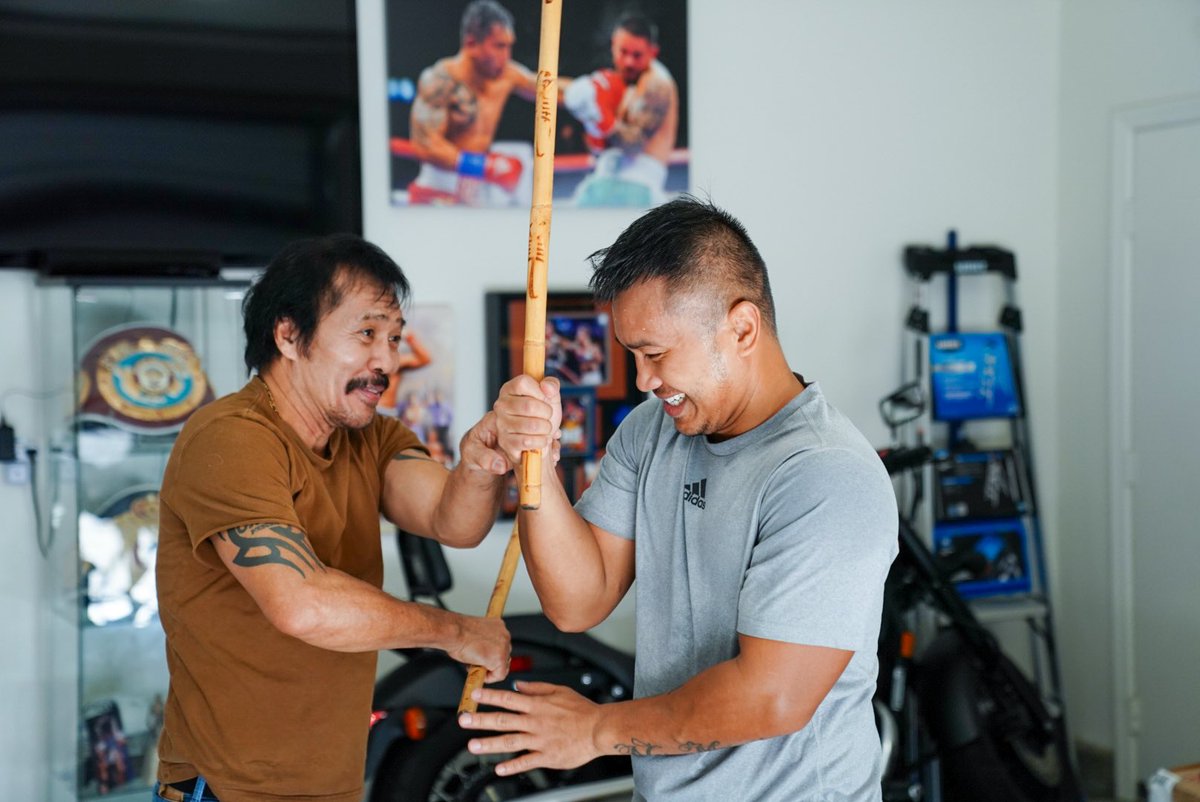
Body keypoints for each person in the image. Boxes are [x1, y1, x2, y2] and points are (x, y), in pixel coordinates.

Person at [463, 197, 899, 800]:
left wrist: (594, 730)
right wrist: (538, 461)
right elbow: (578, 600)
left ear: (741, 329)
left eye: (656, 354)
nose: (643, 380)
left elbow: (771, 697)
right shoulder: (653, 432)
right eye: (633, 356)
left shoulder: (825, 475)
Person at [153, 234, 515, 802]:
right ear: (289, 335)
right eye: (366, 333)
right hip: (227, 790)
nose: (387, 362)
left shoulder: (370, 437)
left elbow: (453, 521)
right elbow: (302, 604)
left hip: (331, 787)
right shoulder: (230, 439)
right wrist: (456, 633)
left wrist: (481, 460)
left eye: (394, 339)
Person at [407, 0, 537, 206]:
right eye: (499, 46)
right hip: (437, 187)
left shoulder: (508, 75)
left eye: (509, 46)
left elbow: (551, 90)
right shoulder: (441, 80)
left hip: (476, 189)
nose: (506, 56)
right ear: (471, 44)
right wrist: (483, 166)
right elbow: (425, 143)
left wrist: (592, 86)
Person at [562, 13, 680, 208]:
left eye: (637, 55)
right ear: (613, 45)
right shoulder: (620, 81)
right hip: (604, 179)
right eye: (623, 52)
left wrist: (598, 118)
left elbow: (634, 144)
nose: (628, 62)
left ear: (653, 52)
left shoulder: (656, 85)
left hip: (638, 184)